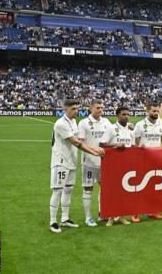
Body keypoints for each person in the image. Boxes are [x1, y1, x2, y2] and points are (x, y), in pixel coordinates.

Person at [49, 99, 105, 233]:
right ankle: (52, 221)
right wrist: (95, 151)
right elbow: (77, 143)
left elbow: (79, 142)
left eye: (77, 108)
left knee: (68, 190)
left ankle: (65, 218)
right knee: (57, 190)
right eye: (73, 109)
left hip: (72, 161)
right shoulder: (60, 124)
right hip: (60, 162)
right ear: (65, 109)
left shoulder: (73, 122)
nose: (76, 111)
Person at [132, 101, 162, 223]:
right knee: (139, 187)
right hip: (142, 160)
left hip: (157, 159)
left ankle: (153, 211)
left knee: (155, 186)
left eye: (156, 111)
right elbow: (135, 143)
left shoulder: (161, 124)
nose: (155, 113)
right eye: (153, 111)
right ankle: (135, 213)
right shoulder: (140, 125)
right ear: (147, 111)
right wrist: (140, 148)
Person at [77, 99, 111, 227]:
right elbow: (80, 143)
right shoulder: (84, 123)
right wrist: (93, 150)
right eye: (98, 108)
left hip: (104, 162)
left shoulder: (106, 122)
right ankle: (88, 218)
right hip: (89, 162)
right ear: (91, 108)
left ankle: (102, 213)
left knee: (105, 188)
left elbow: (112, 135)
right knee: (88, 189)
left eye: (102, 108)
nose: (101, 110)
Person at [99, 106, 134, 226]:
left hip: (127, 165)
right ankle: (110, 217)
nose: (126, 116)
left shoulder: (131, 129)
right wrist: (115, 145)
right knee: (112, 191)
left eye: (128, 114)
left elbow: (133, 146)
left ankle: (121, 216)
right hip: (113, 165)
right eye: (124, 114)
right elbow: (102, 144)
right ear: (117, 116)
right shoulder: (111, 128)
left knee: (124, 191)